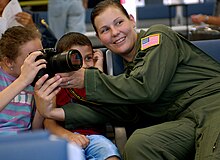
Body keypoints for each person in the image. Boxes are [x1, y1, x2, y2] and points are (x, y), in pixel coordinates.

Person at [34, 0, 220, 159]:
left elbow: (146, 88)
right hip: (185, 120)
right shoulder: (123, 78)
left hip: (212, 107)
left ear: (132, 20)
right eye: (105, 29)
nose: (115, 32)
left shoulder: (158, 37)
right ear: (99, 38)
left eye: (119, 22)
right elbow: (115, 112)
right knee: (140, 143)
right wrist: (53, 112)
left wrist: (89, 79)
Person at [44, 32, 121, 160]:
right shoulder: (56, 86)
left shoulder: (99, 81)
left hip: (96, 139)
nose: (84, 64)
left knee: (109, 153)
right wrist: (69, 136)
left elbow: (102, 103)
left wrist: (98, 70)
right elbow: (49, 123)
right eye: (75, 59)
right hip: (64, 139)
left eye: (89, 58)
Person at [0, 26, 46, 135]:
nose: (39, 62)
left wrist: (42, 106)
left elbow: (36, 130)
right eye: (31, 58)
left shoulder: (37, 80)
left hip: (24, 141)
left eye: (41, 54)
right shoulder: (24, 79)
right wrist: (23, 80)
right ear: (9, 62)